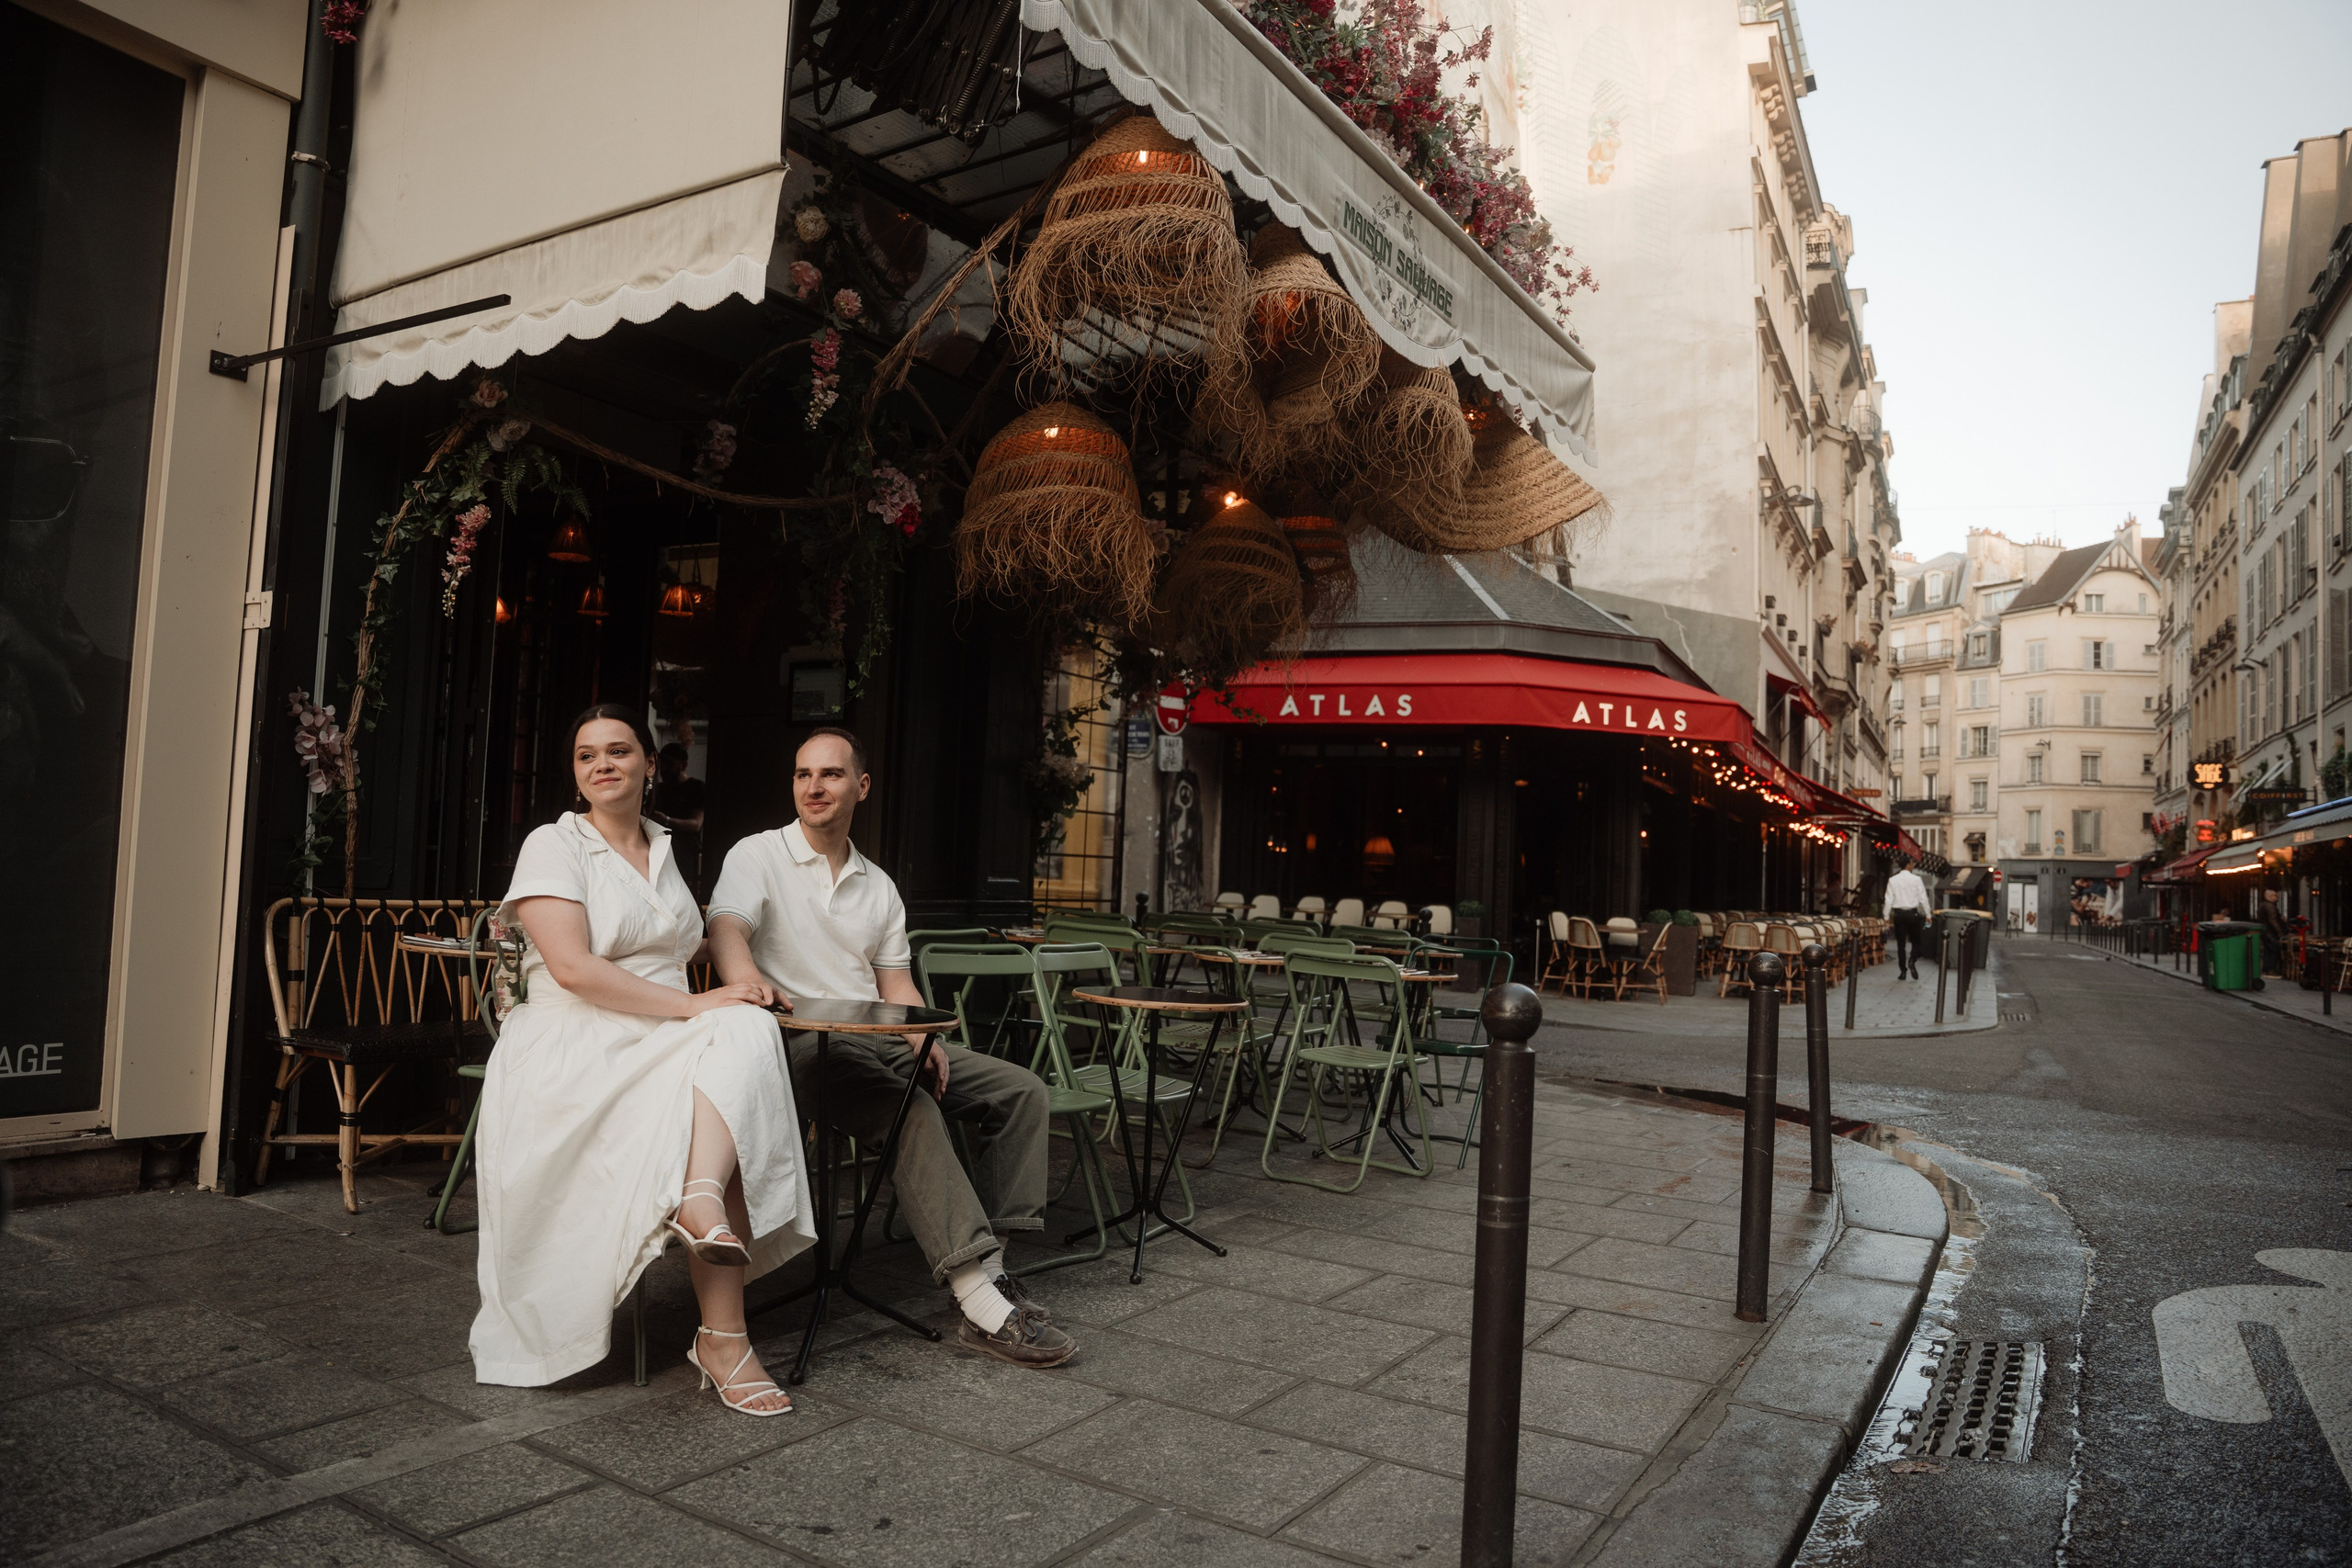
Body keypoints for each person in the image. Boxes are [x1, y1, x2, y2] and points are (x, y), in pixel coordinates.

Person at [470, 704, 815, 1416]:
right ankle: (722, 1328)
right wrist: (699, 1004)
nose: (603, 764)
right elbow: (570, 968)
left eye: (619, 750)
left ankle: (702, 1222)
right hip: (577, 1043)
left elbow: (677, 945)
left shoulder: (665, 847)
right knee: (733, 1059)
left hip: (654, 1035)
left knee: (748, 1031)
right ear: (575, 773)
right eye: (586, 754)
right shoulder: (554, 843)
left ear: (649, 764)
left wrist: (747, 979)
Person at [707, 728, 1073, 1368]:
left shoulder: (877, 884)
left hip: (879, 1037)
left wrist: (917, 1030)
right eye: (803, 774)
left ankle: (993, 1267)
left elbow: (895, 982)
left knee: (1023, 1093)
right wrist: (743, 978)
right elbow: (726, 927)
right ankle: (980, 1307)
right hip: (805, 1044)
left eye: (830, 774)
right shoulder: (757, 854)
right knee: (914, 1113)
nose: (814, 787)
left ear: (862, 786)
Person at [648, 742, 707, 886]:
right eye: (662, 765)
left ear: (683, 766)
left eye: (669, 764)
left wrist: (667, 820)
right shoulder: (658, 789)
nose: (664, 770)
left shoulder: (696, 788)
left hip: (686, 854)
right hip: (658, 851)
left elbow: (696, 824)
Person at [1884, 860, 1931, 979]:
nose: (1913, 866)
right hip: (1912, 914)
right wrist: (1928, 915)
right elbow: (1923, 899)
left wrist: (1886, 917)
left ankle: (1903, 971)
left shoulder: (1893, 880)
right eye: (1912, 864)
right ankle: (1912, 960)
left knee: (1901, 944)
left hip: (1899, 915)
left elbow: (1888, 899)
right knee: (1916, 941)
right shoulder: (1916, 879)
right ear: (1908, 865)